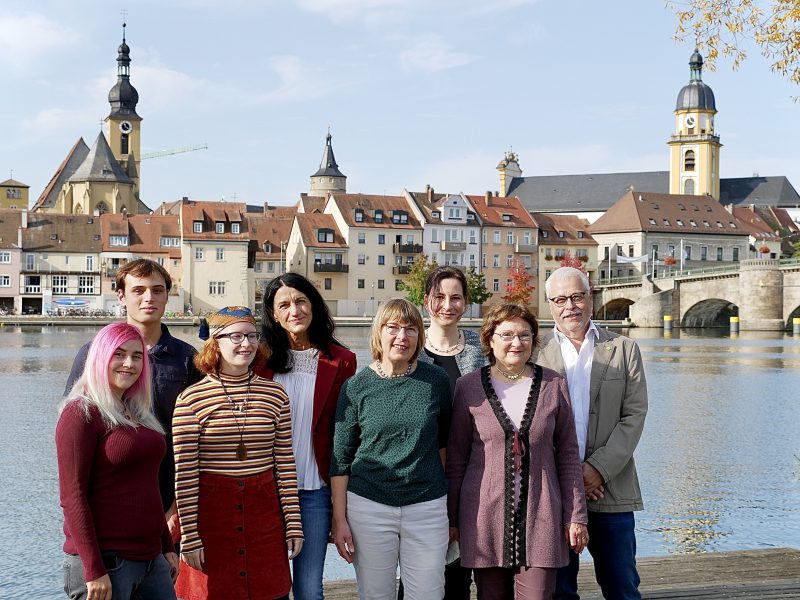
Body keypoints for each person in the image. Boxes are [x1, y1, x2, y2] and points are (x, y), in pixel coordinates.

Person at [446, 303, 588, 600]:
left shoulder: (553, 384)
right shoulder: (468, 387)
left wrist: (576, 516)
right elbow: (457, 461)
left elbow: (568, 456)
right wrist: (453, 520)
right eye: (507, 334)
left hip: (543, 514)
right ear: (490, 339)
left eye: (525, 335)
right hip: (484, 516)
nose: (516, 342)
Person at [65, 259, 202, 540]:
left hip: (169, 505)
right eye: (138, 290)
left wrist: (177, 509)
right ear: (121, 296)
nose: (149, 298)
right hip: (108, 507)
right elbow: (72, 436)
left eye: (157, 290)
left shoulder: (188, 360)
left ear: (167, 297)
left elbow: (200, 440)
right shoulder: (93, 355)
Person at [173, 306, 303, 600]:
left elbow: (284, 463)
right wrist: (189, 536)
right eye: (236, 336)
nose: (246, 344)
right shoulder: (190, 400)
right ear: (215, 343)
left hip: (264, 518)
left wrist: (293, 523)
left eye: (252, 336)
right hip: (211, 520)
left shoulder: (275, 395)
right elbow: (185, 473)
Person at [536, 267, 648, 600]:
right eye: (560, 299)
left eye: (576, 296)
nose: (569, 305)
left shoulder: (624, 349)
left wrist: (597, 470)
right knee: (559, 590)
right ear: (549, 304)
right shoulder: (534, 354)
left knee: (622, 587)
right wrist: (572, 478)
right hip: (556, 492)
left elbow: (634, 416)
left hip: (611, 489)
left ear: (590, 297)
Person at [331, 299, 451, 600]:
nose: (402, 336)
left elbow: (445, 444)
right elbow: (341, 458)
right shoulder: (356, 387)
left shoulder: (436, 380)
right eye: (393, 327)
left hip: (427, 507)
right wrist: (339, 518)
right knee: (375, 595)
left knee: (428, 594)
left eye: (411, 329)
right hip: (369, 506)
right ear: (378, 333)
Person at [57, 322, 180, 600]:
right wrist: (93, 569)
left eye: (137, 356)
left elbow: (147, 486)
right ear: (101, 356)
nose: (129, 363)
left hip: (151, 559)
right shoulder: (81, 413)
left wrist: (166, 546)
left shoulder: (137, 412)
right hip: (107, 563)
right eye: (119, 354)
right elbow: (72, 497)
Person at [255, 273, 357, 600]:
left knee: (309, 589)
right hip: (266, 489)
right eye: (283, 304)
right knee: (270, 585)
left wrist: (340, 508)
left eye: (301, 301)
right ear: (273, 313)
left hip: (315, 491)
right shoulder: (259, 360)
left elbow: (344, 434)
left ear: (313, 304)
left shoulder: (342, 361)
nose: (294, 310)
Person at [414, 265, 486, 599]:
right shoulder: (409, 347)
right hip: (422, 475)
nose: (447, 304)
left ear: (466, 302)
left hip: (472, 474)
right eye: (439, 296)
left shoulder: (480, 350)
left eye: (456, 297)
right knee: (420, 572)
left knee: (459, 575)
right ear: (426, 300)